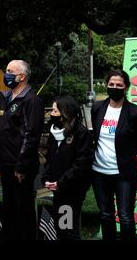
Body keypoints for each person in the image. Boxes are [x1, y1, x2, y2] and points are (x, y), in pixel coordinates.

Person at [0, 60, 44, 240]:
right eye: (6, 70)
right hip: (4, 163)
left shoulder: (31, 100)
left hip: (20, 166)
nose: (6, 74)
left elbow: (31, 136)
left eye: (10, 71)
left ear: (22, 77)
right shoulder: (5, 97)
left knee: (23, 209)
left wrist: (21, 167)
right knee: (9, 207)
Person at [91, 69, 137, 241]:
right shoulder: (98, 108)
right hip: (99, 173)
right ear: (106, 85)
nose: (114, 87)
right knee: (106, 214)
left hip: (124, 174)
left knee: (125, 216)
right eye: (111, 84)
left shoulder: (135, 112)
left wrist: (124, 155)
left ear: (126, 88)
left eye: (119, 85)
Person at [42, 95, 94, 240]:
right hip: (58, 187)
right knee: (60, 226)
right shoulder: (54, 131)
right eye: (51, 111)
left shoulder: (81, 132)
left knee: (68, 227)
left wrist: (62, 182)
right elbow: (50, 158)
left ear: (66, 113)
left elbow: (81, 163)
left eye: (55, 111)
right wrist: (47, 179)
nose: (51, 114)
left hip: (72, 188)